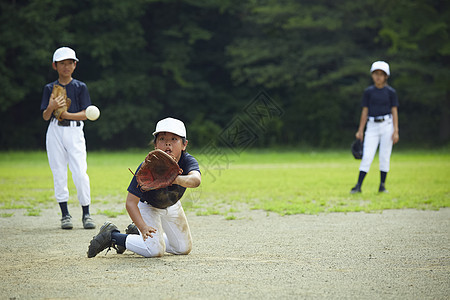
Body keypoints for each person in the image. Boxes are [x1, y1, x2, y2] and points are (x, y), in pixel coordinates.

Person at [87, 117, 201, 258]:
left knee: (183, 248)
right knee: (155, 251)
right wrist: (143, 227)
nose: (168, 143)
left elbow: (196, 180)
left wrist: (174, 179)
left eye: (174, 139)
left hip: (172, 205)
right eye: (162, 139)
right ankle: (113, 236)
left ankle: (138, 237)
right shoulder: (147, 167)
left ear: (184, 145)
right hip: (148, 207)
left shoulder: (187, 160)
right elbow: (130, 202)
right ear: (155, 144)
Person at [40, 47, 95, 229]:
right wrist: (52, 106)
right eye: (62, 63)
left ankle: (86, 213)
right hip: (55, 131)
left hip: (74, 131)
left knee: (80, 172)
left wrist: (65, 114)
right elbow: (46, 116)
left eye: (70, 63)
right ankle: (65, 215)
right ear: (55, 65)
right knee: (59, 172)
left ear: (75, 65)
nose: (66, 66)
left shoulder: (80, 87)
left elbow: (86, 114)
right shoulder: (49, 88)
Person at [350, 61, 399, 194]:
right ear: (372, 75)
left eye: (381, 74)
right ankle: (358, 185)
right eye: (376, 74)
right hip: (372, 125)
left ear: (386, 76)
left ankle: (382, 185)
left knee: (384, 156)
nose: (378, 77)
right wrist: (360, 130)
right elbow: (364, 111)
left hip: (387, 125)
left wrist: (396, 130)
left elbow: (394, 111)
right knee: (367, 156)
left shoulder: (390, 92)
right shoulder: (368, 92)